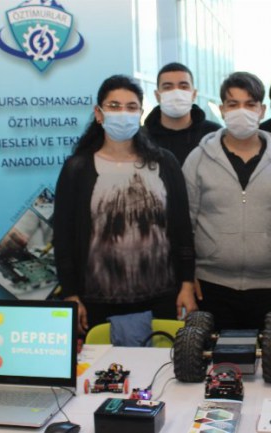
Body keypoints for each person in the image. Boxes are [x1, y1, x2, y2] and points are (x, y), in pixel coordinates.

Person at [53, 75, 197, 346]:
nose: (123, 113)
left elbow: (182, 228)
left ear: (141, 113)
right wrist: (71, 294)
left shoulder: (165, 163)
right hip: (96, 302)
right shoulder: (77, 168)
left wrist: (187, 283)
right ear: (99, 113)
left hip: (161, 298)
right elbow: (63, 237)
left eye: (131, 107)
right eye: (114, 106)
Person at [182, 71, 271, 331]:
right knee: (215, 356)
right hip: (211, 285)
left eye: (250, 104)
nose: (241, 111)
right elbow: (185, 224)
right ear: (222, 109)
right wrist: (187, 279)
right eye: (233, 104)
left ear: (262, 110)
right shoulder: (198, 160)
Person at [144, 62, 221, 165]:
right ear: (157, 96)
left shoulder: (213, 135)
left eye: (183, 87)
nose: (176, 93)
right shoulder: (142, 137)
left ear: (194, 94)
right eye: (168, 87)